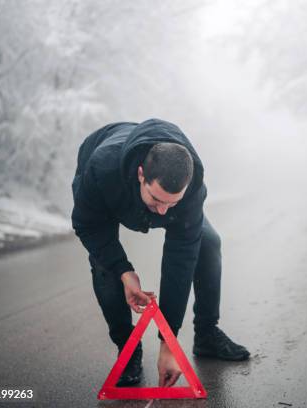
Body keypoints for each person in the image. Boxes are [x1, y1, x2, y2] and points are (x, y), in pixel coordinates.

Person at [71, 118, 249, 388]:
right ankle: (128, 349)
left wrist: (169, 341)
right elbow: (89, 226)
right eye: (156, 200)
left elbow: (180, 259)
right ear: (141, 175)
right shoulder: (101, 170)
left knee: (208, 242)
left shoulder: (193, 190)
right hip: (108, 178)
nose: (164, 212)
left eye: (172, 203)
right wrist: (124, 271)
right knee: (105, 267)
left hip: (140, 171)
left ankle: (206, 334)